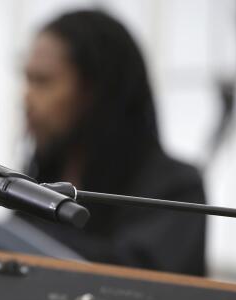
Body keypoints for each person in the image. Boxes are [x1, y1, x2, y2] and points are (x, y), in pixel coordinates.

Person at [20, 10, 206, 275]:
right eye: (27, 78)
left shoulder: (176, 188)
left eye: (43, 81)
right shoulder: (38, 179)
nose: (26, 97)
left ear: (95, 92)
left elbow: (144, 278)